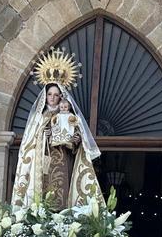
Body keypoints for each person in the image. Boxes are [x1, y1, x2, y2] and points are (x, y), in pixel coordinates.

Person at [10, 76, 101, 210]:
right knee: (43, 196)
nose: (52, 97)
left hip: (64, 160)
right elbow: (29, 142)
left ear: (61, 97)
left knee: (62, 192)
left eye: (56, 95)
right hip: (42, 162)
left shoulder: (69, 116)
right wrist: (44, 135)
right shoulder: (39, 117)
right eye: (49, 94)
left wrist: (74, 140)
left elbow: (78, 135)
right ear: (45, 96)